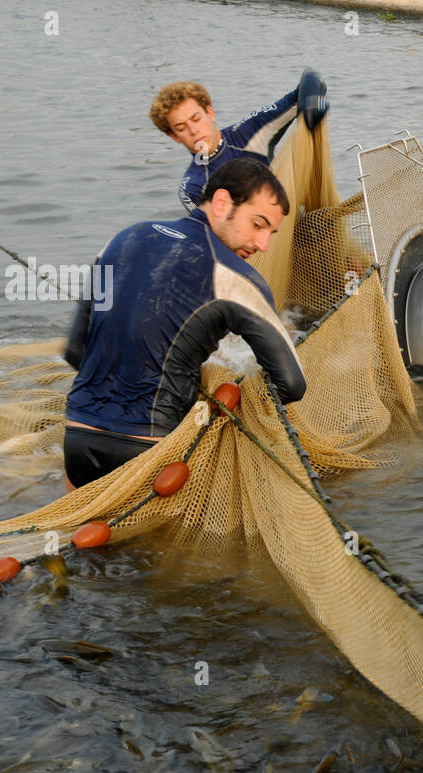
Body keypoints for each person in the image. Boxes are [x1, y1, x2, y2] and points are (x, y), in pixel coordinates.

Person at [62, 158, 307, 489]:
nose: (262, 244)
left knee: (79, 532)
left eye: (270, 233)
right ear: (221, 203)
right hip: (150, 449)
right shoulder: (235, 276)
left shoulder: (122, 239)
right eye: (258, 224)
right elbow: (292, 384)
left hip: (77, 436)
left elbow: (75, 351)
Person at [150, 71, 329, 213]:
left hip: (298, 226)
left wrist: (311, 105)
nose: (193, 130)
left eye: (196, 119)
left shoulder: (249, 130)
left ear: (209, 113)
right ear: (174, 136)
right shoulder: (192, 188)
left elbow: (310, 80)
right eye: (181, 128)